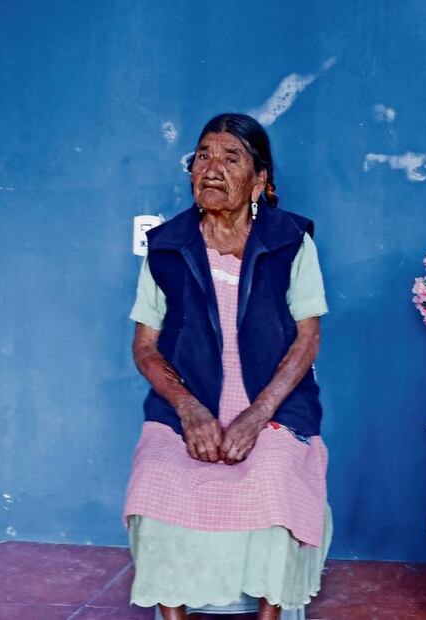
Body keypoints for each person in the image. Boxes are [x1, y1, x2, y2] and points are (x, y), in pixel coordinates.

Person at [124, 113, 330, 620]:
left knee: (275, 477)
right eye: (203, 156)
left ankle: (269, 615)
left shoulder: (290, 240)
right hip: (186, 404)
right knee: (155, 479)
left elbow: (308, 339)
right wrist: (190, 411)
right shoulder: (167, 246)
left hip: (274, 405)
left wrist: (255, 418)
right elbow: (146, 346)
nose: (212, 168)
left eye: (230, 157)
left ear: (259, 179)